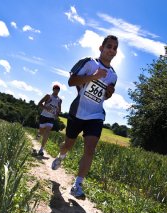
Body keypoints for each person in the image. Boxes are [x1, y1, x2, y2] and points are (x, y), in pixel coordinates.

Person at [51, 35, 118, 199]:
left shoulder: (114, 76)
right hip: (78, 112)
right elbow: (71, 81)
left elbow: (105, 96)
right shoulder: (89, 63)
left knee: (90, 149)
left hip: (96, 115)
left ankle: (77, 184)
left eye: (115, 48)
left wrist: (109, 93)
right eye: (109, 46)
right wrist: (93, 76)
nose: (112, 50)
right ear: (101, 48)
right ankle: (62, 156)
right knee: (68, 144)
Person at [36, 84, 62, 156]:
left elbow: (59, 110)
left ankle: (41, 149)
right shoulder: (48, 96)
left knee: (47, 132)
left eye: (58, 89)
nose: (56, 90)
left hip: (51, 118)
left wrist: (57, 113)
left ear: (59, 90)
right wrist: (46, 108)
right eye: (55, 88)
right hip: (43, 116)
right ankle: (39, 134)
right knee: (41, 132)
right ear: (53, 89)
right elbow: (39, 103)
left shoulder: (59, 100)